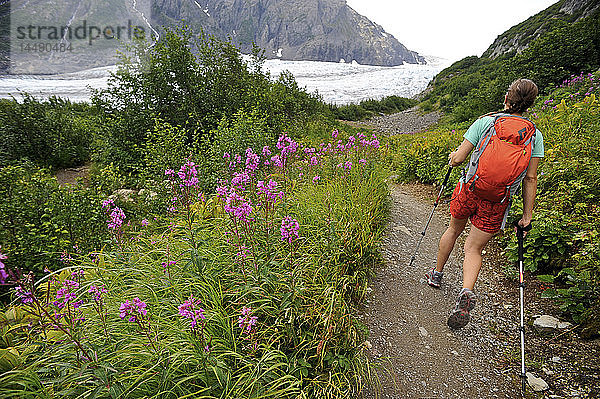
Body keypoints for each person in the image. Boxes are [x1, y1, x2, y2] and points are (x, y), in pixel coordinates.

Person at [424, 78, 544, 329]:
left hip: (469, 191)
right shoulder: (535, 136)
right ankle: (466, 291)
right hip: (497, 201)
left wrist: (452, 158)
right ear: (530, 104)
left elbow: (458, 158)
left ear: (506, 99)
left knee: (453, 230)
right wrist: (527, 216)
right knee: (473, 249)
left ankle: (436, 274)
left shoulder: (486, 122)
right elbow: (530, 178)